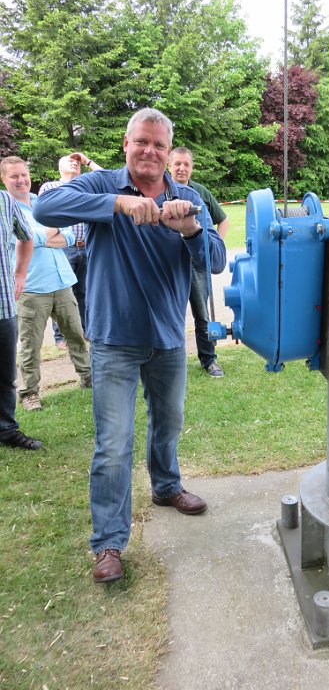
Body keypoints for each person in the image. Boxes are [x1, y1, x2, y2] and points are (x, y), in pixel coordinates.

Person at [34, 108, 227, 583]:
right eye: (142, 141)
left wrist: (190, 230)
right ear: (126, 144)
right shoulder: (102, 186)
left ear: (169, 151)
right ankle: (109, 543)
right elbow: (44, 208)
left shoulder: (187, 199)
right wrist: (118, 205)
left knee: (168, 423)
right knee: (114, 444)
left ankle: (166, 487)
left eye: (159, 145)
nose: (150, 151)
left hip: (167, 339)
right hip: (114, 340)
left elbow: (216, 261)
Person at [0, 156, 92, 411]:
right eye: (14, 176)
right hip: (31, 287)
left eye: (24, 174)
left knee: (76, 335)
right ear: (4, 179)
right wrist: (46, 234)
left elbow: (70, 235)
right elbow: (18, 239)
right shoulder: (5, 208)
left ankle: (88, 377)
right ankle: (29, 393)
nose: (21, 180)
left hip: (61, 280)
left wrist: (35, 238)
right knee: (30, 345)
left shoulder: (43, 203)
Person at [169, 147, 229, 377]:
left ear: (192, 168)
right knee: (171, 313)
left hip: (197, 265)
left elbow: (223, 220)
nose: (181, 168)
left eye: (186, 164)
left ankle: (209, 360)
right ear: (169, 166)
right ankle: (171, 362)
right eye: (177, 164)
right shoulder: (160, 191)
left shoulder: (200, 192)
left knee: (202, 315)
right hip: (171, 263)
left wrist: (212, 247)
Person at [40, 152, 102, 348]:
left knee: (85, 292)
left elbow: (105, 177)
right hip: (63, 249)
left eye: (77, 162)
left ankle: (85, 332)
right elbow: (42, 216)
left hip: (87, 247)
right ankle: (61, 337)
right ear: (60, 168)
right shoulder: (50, 187)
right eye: (70, 161)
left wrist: (88, 161)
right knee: (62, 293)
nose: (74, 163)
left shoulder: (87, 187)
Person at [0, 189, 43, 450]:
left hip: (3, 307)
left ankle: (6, 430)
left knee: (5, 376)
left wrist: (20, 273)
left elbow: (26, 237)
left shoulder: (5, 200)